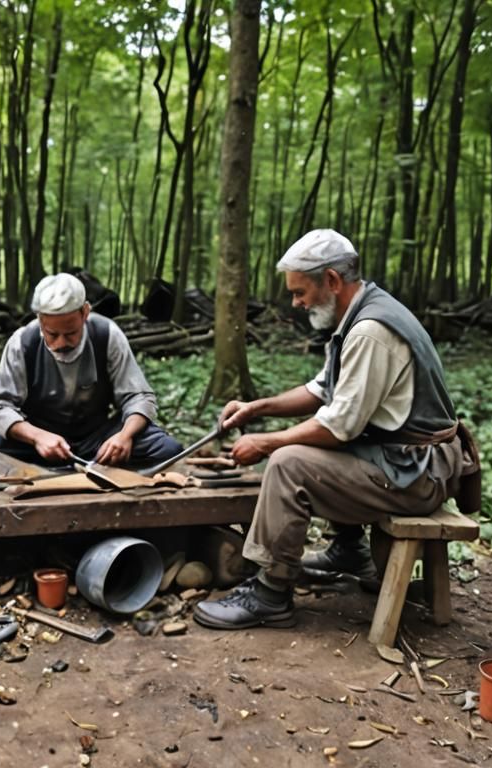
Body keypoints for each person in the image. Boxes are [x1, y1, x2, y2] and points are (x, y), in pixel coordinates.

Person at [193, 229, 477, 630]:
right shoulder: (357, 315)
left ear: (331, 280)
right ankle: (348, 550)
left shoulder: (370, 330)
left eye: (300, 291)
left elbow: (338, 427)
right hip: (405, 460)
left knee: (290, 462)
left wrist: (268, 443)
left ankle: (271, 594)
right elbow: (320, 390)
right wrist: (256, 409)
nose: (296, 302)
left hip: (418, 472)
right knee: (311, 447)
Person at [0, 273, 184, 468]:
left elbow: (138, 396)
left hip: (96, 439)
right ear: (40, 319)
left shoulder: (107, 334)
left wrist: (124, 436)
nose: (61, 343)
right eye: (52, 334)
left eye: (71, 333)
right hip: (36, 441)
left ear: (85, 313)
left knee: (167, 449)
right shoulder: (22, 341)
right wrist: (37, 437)